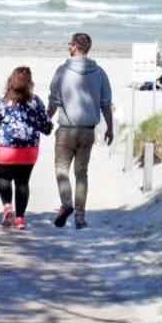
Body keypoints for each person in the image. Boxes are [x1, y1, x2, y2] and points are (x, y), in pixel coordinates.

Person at [48, 31, 114, 229]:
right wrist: (110, 127)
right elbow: (105, 103)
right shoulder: (100, 72)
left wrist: (45, 120)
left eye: (70, 44)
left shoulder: (62, 71)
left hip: (66, 129)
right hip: (87, 131)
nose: (68, 47)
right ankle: (80, 217)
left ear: (76, 46)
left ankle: (66, 203)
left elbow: (54, 101)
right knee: (81, 173)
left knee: (61, 169)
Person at [0, 66, 53, 230]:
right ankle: (20, 219)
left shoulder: (1, 101)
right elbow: (46, 128)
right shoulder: (35, 102)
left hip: (5, 149)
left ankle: (7, 207)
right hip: (28, 151)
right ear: (29, 84)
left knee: (3, 179)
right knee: (23, 182)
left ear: (11, 82)